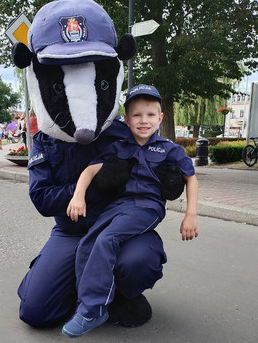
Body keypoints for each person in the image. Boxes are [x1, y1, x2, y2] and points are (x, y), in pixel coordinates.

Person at [62, 84, 199, 337]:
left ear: (160, 117)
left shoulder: (170, 149)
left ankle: (94, 309)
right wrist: (78, 196)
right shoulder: (120, 146)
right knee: (87, 244)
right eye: (136, 115)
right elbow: (90, 170)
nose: (143, 121)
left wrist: (190, 215)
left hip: (146, 207)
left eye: (149, 115)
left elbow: (191, 177)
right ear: (126, 120)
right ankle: (86, 304)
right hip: (119, 207)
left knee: (107, 239)